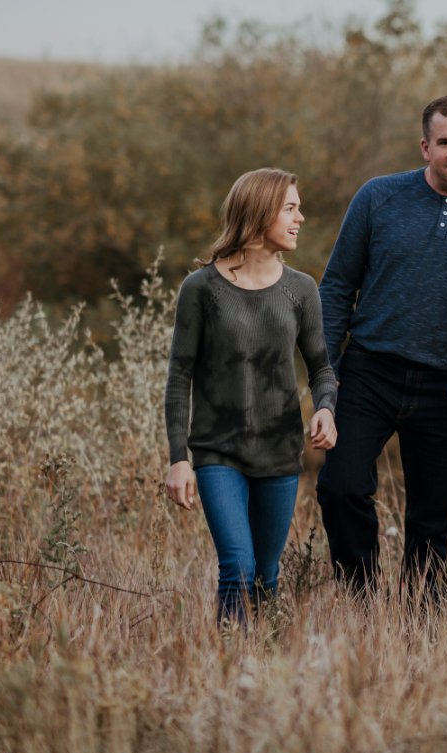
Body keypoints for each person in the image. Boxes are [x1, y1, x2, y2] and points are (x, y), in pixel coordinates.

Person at [315, 95, 447, 601]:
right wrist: (327, 371)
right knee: (340, 488)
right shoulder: (378, 198)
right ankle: (361, 604)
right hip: (368, 371)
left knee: (434, 519)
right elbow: (336, 288)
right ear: (425, 147)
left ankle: (423, 626)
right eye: (445, 142)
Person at [164, 167, 338, 626]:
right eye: (290, 209)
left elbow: (321, 368)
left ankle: (261, 660)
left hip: (279, 452)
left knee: (265, 576)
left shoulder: (301, 290)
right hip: (218, 451)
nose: (300, 218)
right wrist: (178, 458)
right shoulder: (201, 289)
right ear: (260, 212)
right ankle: (229, 658)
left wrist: (325, 408)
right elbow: (179, 376)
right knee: (237, 567)